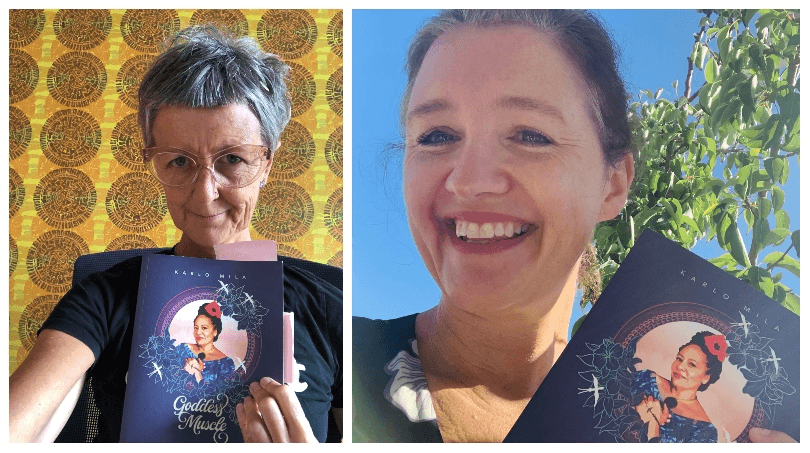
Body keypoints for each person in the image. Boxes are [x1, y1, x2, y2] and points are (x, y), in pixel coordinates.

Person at [9, 26, 341, 443]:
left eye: (233, 159)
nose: (205, 193)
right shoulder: (105, 297)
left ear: (267, 164)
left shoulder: (331, 307)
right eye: (179, 161)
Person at [352, 9, 635, 442]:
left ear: (613, 185)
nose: (470, 181)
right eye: (436, 135)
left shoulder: (658, 423)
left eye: (531, 135)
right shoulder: (322, 373)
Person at [631, 331, 723, 442]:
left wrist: (652, 425)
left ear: (706, 377)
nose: (680, 366)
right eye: (679, 359)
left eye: (692, 364)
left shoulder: (705, 432)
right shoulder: (645, 378)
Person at [176, 302, 236, 389]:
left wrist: (197, 373)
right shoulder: (183, 349)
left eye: (204, 328)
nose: (198, 332)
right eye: (196, 328)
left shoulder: (226, 364)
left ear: (215, 331)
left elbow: (221, 393)